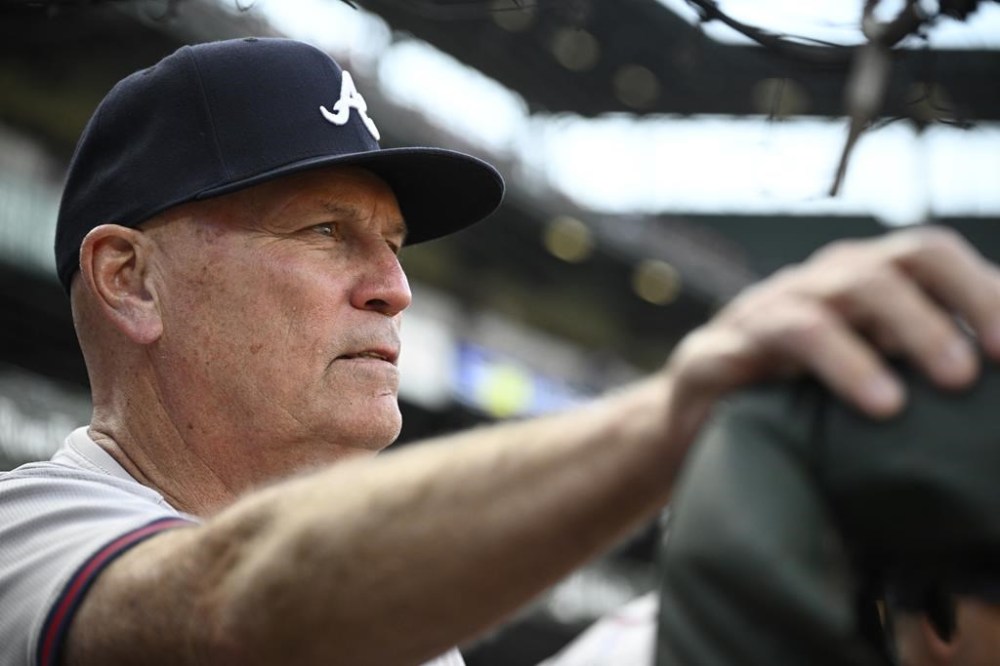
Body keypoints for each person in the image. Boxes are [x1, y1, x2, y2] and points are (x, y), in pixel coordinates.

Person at [1, 36, 999, 666]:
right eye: (322, 232)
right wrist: (679, 414)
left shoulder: (389, 618)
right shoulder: (28, 537)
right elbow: (233, 610)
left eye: (390, 245)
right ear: (130, 278)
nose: (392, 286)